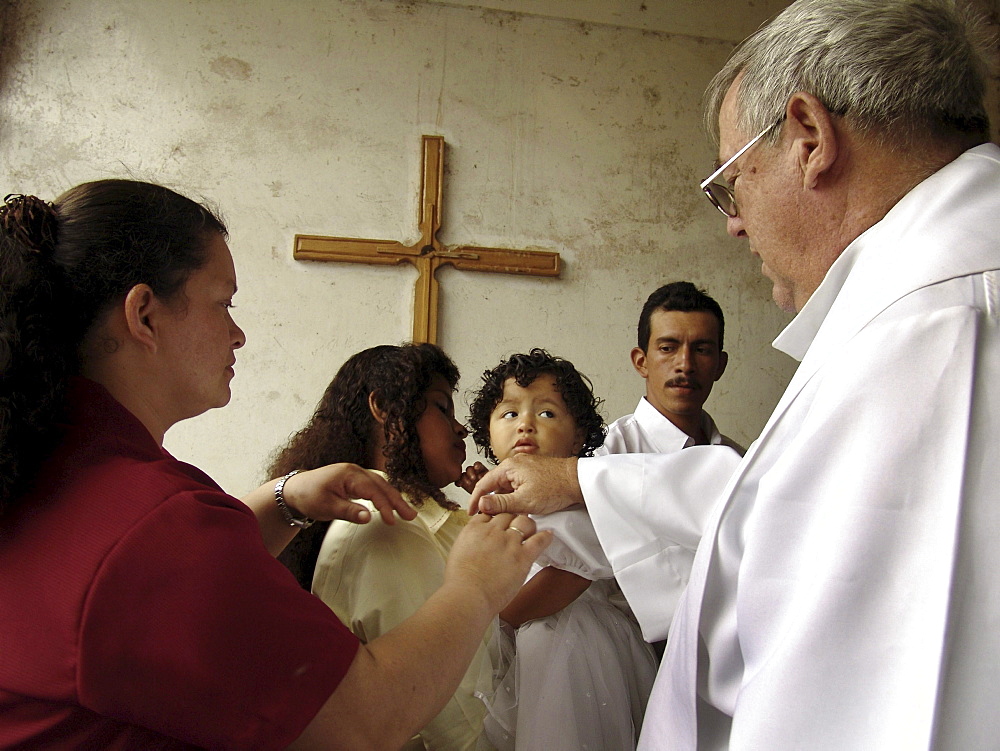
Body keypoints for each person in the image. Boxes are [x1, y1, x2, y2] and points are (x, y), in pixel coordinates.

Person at [469, 0, 1000, 748]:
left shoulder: (939, 323)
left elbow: (898, 696)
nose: (733, 222)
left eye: (730, 183)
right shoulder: (916, 297)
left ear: (810, 139)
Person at [0, 180, 549, 750]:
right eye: (223, 304)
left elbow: (167, 613)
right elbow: (363, 719)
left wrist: (284, 500)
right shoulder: (150, 523)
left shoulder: (49, 466)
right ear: (143, 315)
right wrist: (476, 587)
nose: (238, 334)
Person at [267, 342, 493, 751]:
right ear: (384, 409)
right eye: (441, 408)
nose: (460, 429)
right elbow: (452, 716)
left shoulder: (417, 519)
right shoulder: (383, 524)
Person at [466, 349, 658, 751]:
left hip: (569, 646)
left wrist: (485, 614)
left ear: (579, 437)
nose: (526, 426)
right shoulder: (497, 500)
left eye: (547, 413)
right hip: (513, 648)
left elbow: (561, 580)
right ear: (487, 432)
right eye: (509, 413)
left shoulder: (578, 503)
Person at [598, 280, 742, 454]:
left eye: (702, 350)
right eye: (667, 348)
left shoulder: (740, 462)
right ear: (641, 362)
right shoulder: (604, 456)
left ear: (720, 365)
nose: (685, 365)